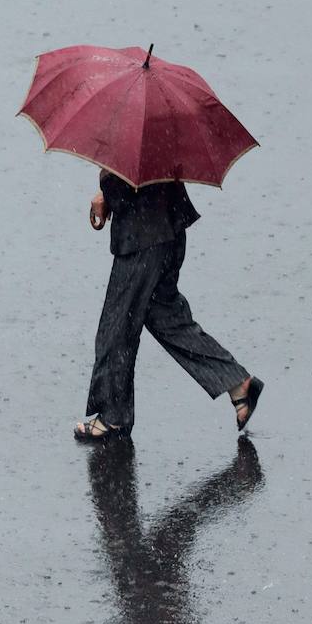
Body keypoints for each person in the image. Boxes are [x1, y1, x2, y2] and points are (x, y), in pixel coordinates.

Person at [74, 170, 264, 441]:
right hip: (169, 226)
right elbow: (145, 169)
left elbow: (128, 181)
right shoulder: (162, 130)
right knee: (166, 317)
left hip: (142, 238)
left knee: (117, 326)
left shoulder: (129, 130)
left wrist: (107, 195)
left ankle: (113, 417)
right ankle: (237, 382)